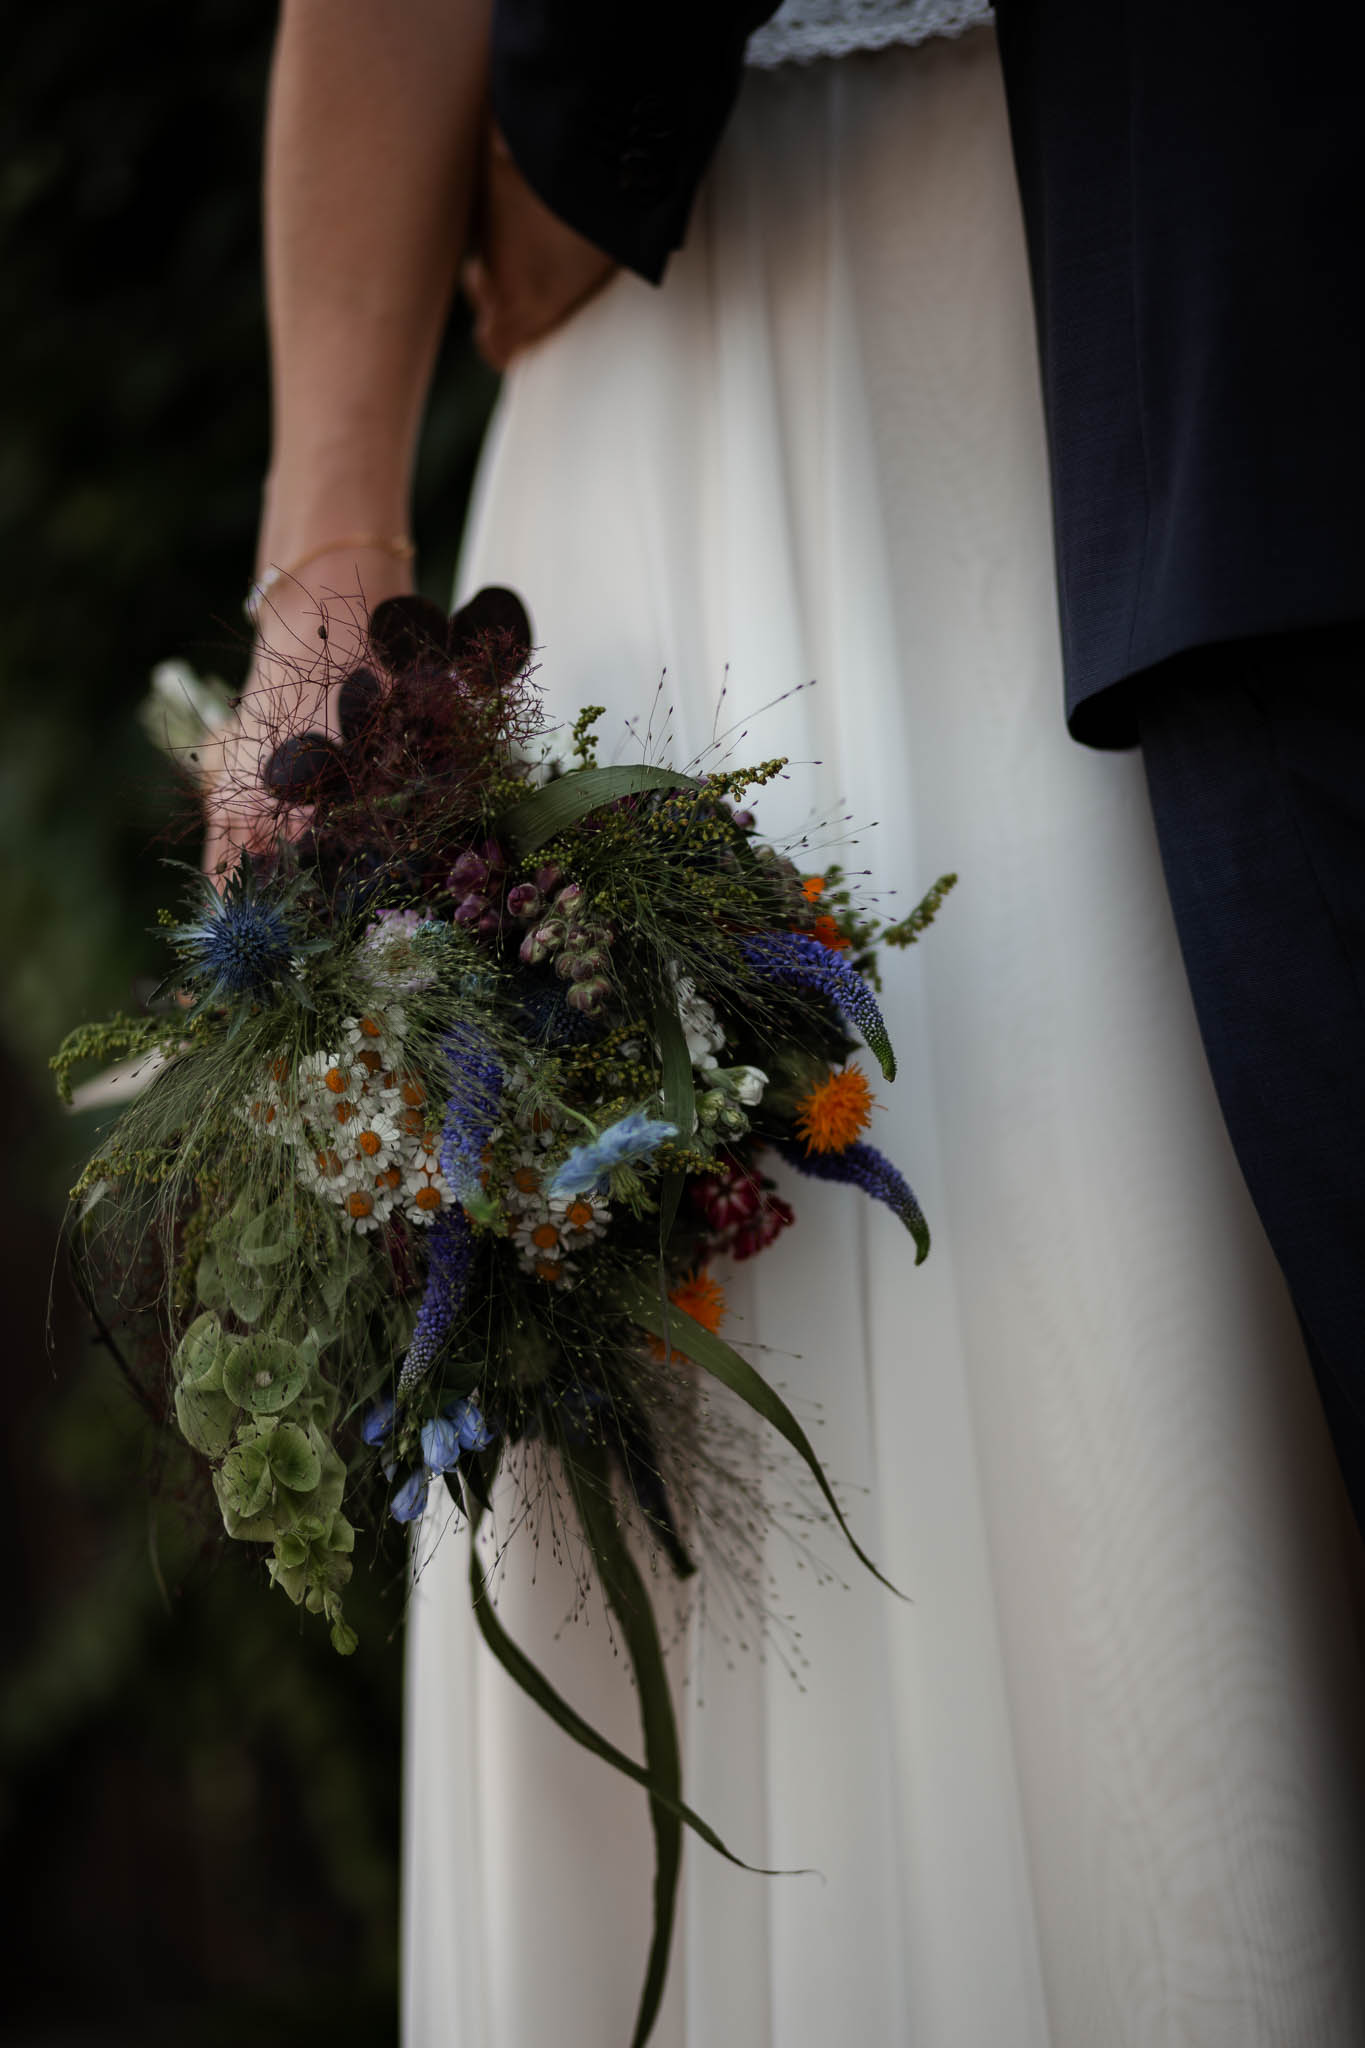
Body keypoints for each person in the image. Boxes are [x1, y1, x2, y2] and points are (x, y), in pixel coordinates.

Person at [224, 4, 1365, 2043]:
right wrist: (328, 572)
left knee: (1123, 1310)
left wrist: (601, 80)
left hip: (1099, 323)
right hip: (649, 416)